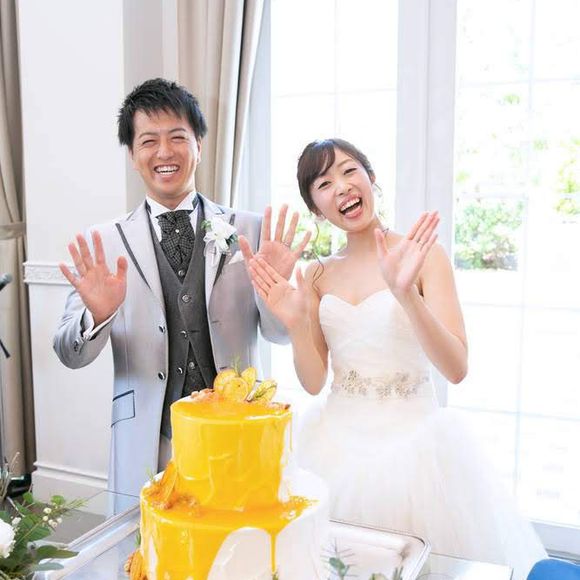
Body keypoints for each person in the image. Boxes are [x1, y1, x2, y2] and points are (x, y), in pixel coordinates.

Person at [240, 138, 547, 579]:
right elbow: (313, 380)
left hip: (415, 449)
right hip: (334, 447)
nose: (342, 186)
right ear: (316, 208)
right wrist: (294, 323)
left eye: (349, 171)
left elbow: (456, 368)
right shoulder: (317, 273)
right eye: (324, 183)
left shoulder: (422, 257)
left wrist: (406, 294)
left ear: (371, 178)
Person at [53, 78, 310, 497]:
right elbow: (69, 353)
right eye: (148, 141)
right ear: (133, 155)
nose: (164, 152)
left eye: (177, 137)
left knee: (237, 533)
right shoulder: (104, 244)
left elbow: (279, 335)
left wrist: (276, 297)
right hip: (148, 436)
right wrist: (98, 316)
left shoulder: (250, 230)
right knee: (152, 536)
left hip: (237, 429)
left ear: (199, 145)